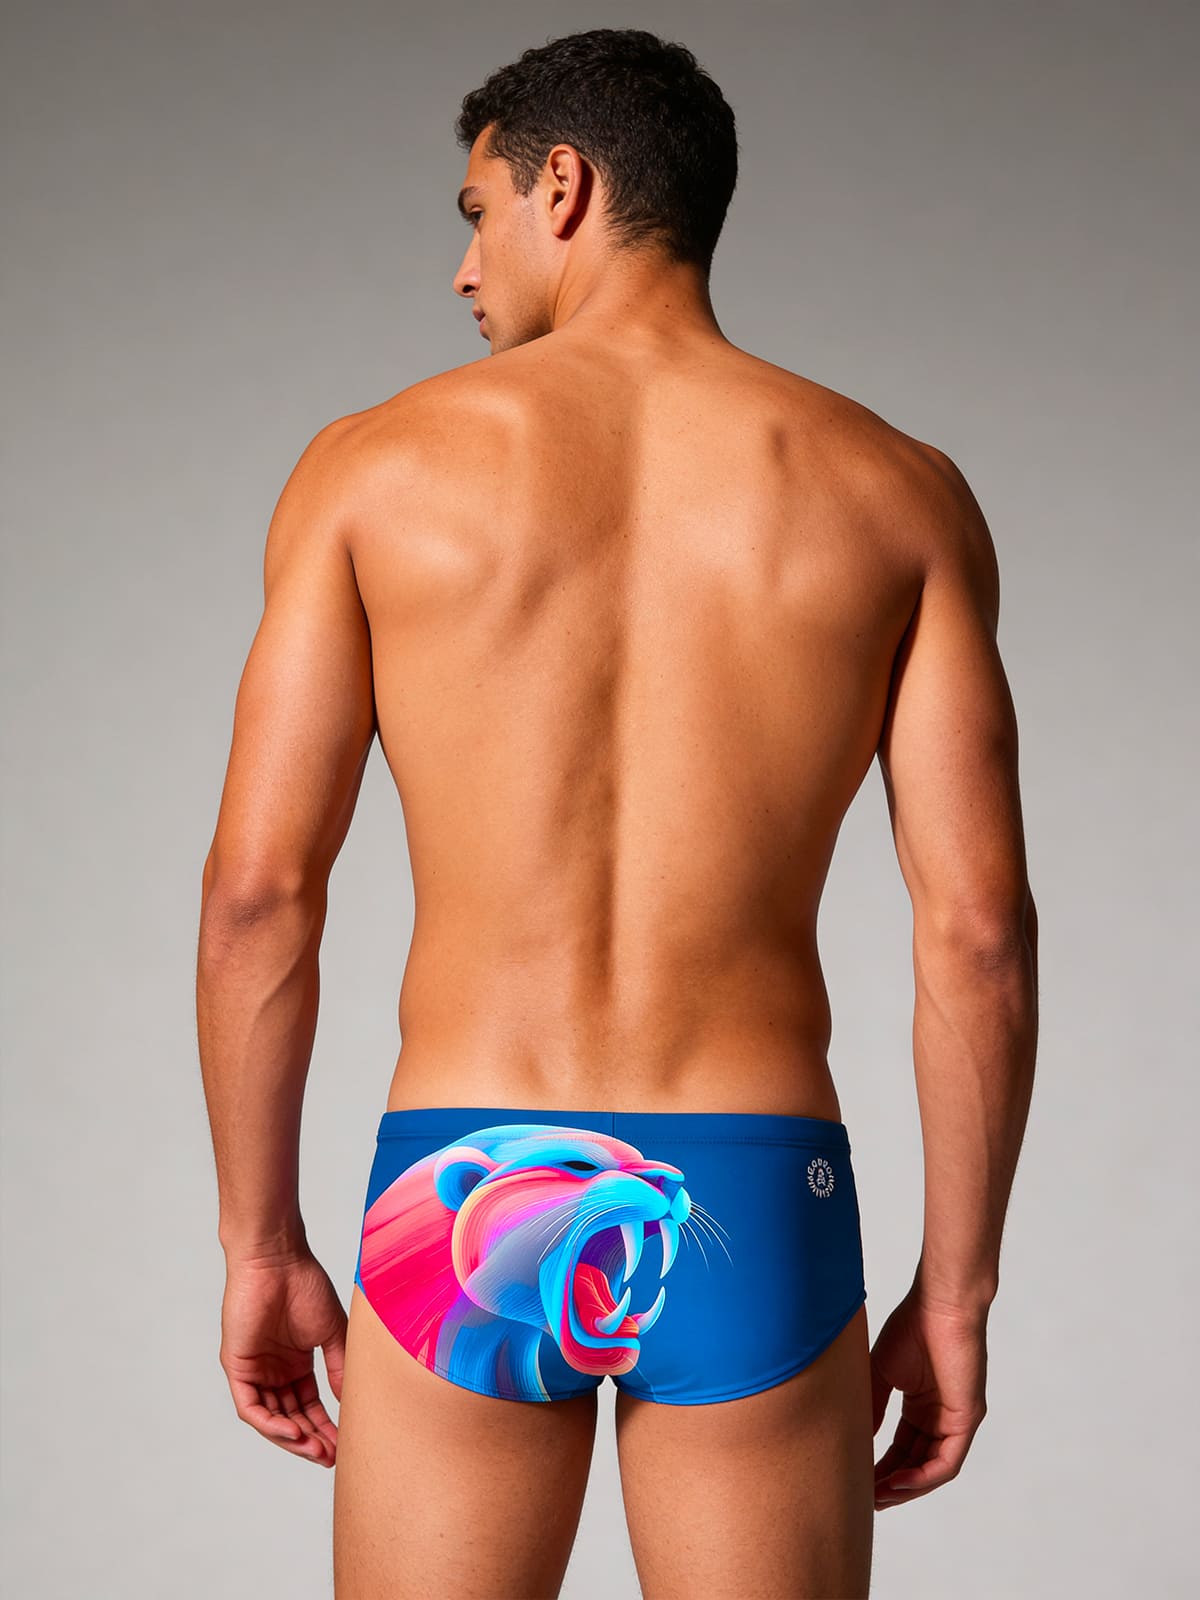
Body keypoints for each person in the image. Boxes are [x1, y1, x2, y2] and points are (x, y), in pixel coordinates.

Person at [196, 26, 1038, 1600]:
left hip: (468, 1177)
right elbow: (978, 933)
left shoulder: (372, 472)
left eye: (477, 212)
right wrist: (958, 1290)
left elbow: (259, 893)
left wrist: (259, 1242)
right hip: (752, 1188)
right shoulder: (897, 491)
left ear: (563, 188)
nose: (463, 269)